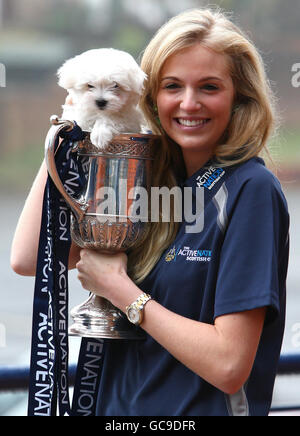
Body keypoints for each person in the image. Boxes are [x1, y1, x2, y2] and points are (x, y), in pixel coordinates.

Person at [11, 8, 289, 416]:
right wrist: (68, 132)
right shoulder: (141, 173)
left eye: (209, 87)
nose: (189, 103)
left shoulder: (251, 190)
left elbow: (229, 366)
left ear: (240, 97)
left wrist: (123, 293)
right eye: (172, 86)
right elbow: (28, 258)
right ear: (150, 96)